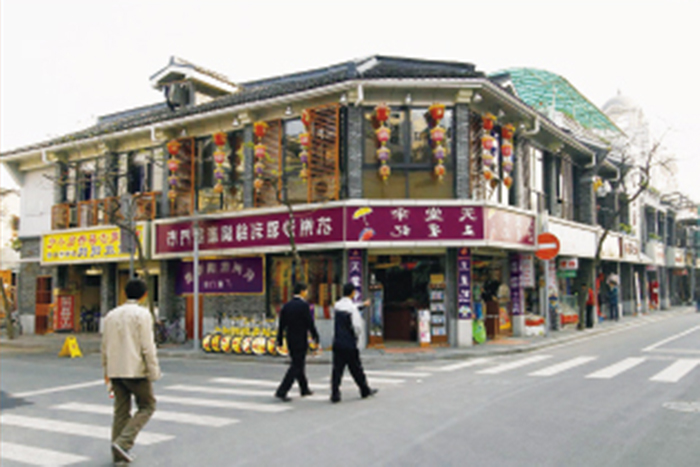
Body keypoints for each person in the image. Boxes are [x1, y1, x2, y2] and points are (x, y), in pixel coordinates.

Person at [101, 278, 161, 464]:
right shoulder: (142, 315)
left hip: (115, 369)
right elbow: (147, 347)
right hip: (135, 369)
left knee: (121, 411)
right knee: (147, 406)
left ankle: (118, 454)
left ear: (124, 293)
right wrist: (154, 371)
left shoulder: (111, 315)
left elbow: (104, 345)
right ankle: (123, 443)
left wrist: (106, 370)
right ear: (144, 295)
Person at [330, 283, 378, 403]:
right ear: (352, 293)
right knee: (356, 368)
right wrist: (357, 337)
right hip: (349, 343)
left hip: (337, 342)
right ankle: (364, 390)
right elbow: (357, 326)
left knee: (337, 369)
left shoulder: (337, 306)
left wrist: (363, 305)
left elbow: (351, 306)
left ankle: (335, 393)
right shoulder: (352, 309)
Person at [275, 282, 319, 402]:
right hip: (300, 338)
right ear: (302, 291)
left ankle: (304, 388)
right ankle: (282, 390)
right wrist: (315, 337)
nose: (307, 293)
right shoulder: (303, 306)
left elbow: (282, 324)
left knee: (299, 363)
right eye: (306, 290)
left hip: (290, 338)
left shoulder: (287, 306)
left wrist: (279, 339)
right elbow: (309, 323)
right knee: (296, 365)